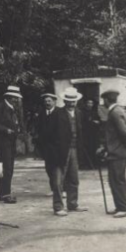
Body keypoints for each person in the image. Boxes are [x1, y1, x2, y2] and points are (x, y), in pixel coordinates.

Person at [45, 87, 88, 216]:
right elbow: (48, 135)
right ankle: (58, 207)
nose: (71, 103)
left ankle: (72, 204)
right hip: (60, 152)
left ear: (76, 101)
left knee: (74, 178)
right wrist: (53, 153)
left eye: (73, 101)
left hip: (74, 149)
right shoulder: (57, 114)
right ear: (64, 100)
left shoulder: (79, 113)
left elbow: (81, 132)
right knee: (58, 180)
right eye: (69, 100)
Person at [101, 89, 126, 218]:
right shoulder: (117, 111)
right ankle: (120, 206)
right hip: (117, 151)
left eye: (104, 100)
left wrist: (122, 147)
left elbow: (124, 133)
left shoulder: (114, 112)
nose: (103, 103)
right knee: (115, 180)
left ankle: (124, 207)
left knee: (117, 180)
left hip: (117, 153)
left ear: (108, 100)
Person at [0, 85, 23, 203]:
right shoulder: (0, 107)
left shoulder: (12, 109)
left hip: (11, 142)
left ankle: (2, 193)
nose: (16, 100)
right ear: (9, 97)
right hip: (2, 142)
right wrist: (6, 130)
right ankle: (6, 194)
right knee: (7, 168)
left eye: (17, 98)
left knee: (8, 168)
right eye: (15, 98)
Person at [35, 93, 59, 196]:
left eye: (49, 101)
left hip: (57, 146)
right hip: (46, 146)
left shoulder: (59, 113)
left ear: (54, 101)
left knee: (58, 168)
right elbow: (38, 128)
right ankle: (53, 189)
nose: (47, 103)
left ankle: (62, 189)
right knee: (49, 168)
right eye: (45, 102)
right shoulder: (41, 114)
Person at [80, 98, 101, 169]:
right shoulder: (82, 112)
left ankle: (93, 163)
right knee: (86, 149)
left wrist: (97, 122)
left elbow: (99, 120)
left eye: (91, 103)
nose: (90, 105)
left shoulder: (94, 112)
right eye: (88, 103)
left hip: (93, 134)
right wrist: (92, 122)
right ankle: (85, 164)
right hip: (85, 134)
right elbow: (82, 123)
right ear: (85, 104)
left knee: (93, 148)